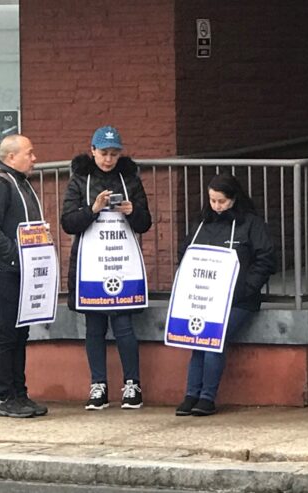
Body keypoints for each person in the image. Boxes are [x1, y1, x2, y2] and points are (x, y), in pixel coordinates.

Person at [61, 126, 152, 410]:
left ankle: (132, 384)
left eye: (114, 154)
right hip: (91, 263)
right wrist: (93, 209)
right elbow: (68, 222)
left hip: (120, 261)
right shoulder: (80, 180)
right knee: (95, 326)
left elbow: (145, 223)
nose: (108, 160)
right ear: (93, 151)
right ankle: (98, 384)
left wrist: (132, 212)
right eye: (103, 153)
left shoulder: (130, 179)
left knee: (124, 325)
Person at [175, 174, 276, 417]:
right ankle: (191, 394)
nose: (216, 206)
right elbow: (186, 255)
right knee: (196, 342)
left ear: (234, 199)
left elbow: (266, 258)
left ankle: (207, 397)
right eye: (212, 201)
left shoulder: (251, 224)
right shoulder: (202, 224)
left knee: (212, 340)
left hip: (239, 299)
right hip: (207, 298)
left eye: (221, 201)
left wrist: (247, 288)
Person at [0, 134, 49, 418]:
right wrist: (16, 254)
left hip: (22, 271)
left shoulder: (21, 184)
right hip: (1, 271)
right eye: (29, 153)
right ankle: (6, 396)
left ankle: (20, 393)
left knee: (21, 333)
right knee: (7, 333)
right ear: (11, 158)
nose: (34, 158)